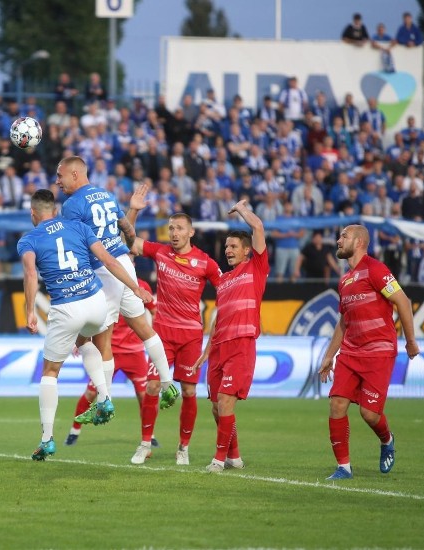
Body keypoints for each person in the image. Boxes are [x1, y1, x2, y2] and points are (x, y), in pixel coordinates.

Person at [18, 189, 153, 461]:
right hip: (95, 300)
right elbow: (110, 260)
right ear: (55, 211)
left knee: (50, 371)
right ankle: (104, 396)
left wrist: (30, 310)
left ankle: (46, 440)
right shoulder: (77, 226)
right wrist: (134, 288)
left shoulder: (28, 239)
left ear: (33, 213)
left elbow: (31, 274)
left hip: (66, 307)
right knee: (86, 341)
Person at [56, 157, 176, 430]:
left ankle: (104, 401)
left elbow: (76, 247)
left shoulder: (72, 205)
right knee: (144, 329)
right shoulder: (106, 195)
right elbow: (128, 229)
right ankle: (168, 384)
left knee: (99, 341)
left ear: (75, 174)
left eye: (60, 176)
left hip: (104, 269)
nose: (57, 182)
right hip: (124, 263)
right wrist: (131, 246)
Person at [126, 184, 222, 465]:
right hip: (162, 336)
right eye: (171, 228)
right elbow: (127, 242)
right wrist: (133, 210)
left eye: (180, 228)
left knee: (189, 391)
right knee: (152, 386)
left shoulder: (205, 262)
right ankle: (145, 444)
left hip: (191, 337)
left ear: (191, 232)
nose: (175, 233)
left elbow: (226, 290)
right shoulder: (161, 253)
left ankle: (184, 447)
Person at [318, 225, 419, 480]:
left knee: (369, 413)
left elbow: (403, 301)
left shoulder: (376, 269)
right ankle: (343, 468)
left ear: (360, 242)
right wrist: (330, 355)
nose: (338, 240)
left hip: (378, 351)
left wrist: (410, 341)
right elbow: (344, 321)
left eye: (344, 236)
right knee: (337, 404)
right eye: (339, 235)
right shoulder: (344, 280)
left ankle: (387, 439)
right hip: (351, 352)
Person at [192, 199, 268, 473]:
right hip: (219, 348)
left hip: (241, 346)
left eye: (234, 246)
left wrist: (242, 210)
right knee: (216, 407)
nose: (228, 250)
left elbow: (258, 226)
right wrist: (206, 350)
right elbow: (218, 318)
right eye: (226, 247)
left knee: (225, 402)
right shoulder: (223, 281)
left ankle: (218, 459)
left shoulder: (256, 269)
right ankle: (234, 456)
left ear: (248, 251)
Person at [64, 278, 163, 462]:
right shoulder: (100, 284)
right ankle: (74, 430)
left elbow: (155, 311)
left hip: (134, 352)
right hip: (108, 350)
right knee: (91, 393)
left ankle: (150, 435)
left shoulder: (141, 286)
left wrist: (153, 334)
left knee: (145, 395)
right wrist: (81, 340)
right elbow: (88, 316)